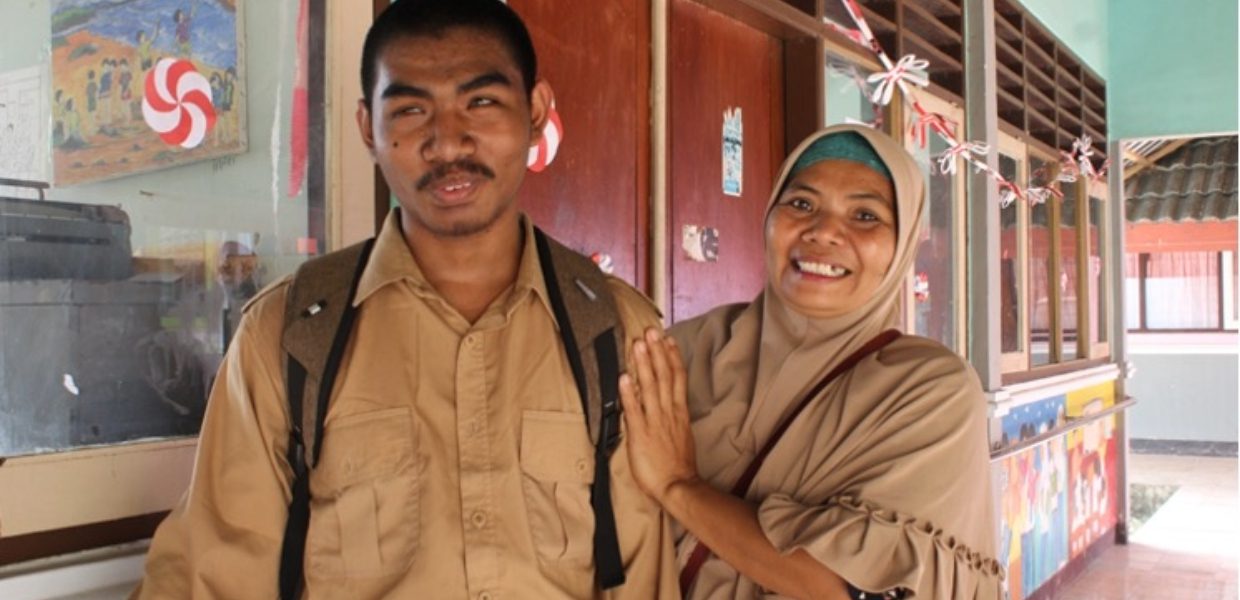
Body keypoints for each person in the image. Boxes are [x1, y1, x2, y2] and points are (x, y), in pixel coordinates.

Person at [132, 1, 677, 598]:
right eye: (412, 109)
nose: (448, 141)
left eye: (482, 101)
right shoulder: (289, 338)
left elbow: (643, 575)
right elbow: (213, 578)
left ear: (537, 111)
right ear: (368, 127)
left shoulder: (613, 331)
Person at [619, 124, 1005, 599]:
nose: (823, 232)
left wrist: (679, 486)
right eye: (801, 204)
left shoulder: (929, 391)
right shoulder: (687, 350)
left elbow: (843, 588)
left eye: (865, 215)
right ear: (768, 218)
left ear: (902, 248)